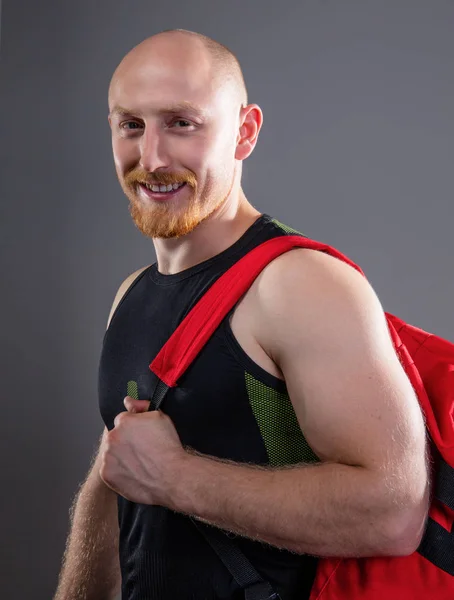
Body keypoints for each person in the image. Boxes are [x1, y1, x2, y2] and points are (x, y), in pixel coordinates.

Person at [54, 29, 430, 600]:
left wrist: (177, 478)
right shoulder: (133, 292)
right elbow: (119, 474)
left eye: (182, 123)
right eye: (132, 124)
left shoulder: (299, 285)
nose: (151, 157)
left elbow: (394, 512)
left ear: (244, 132)